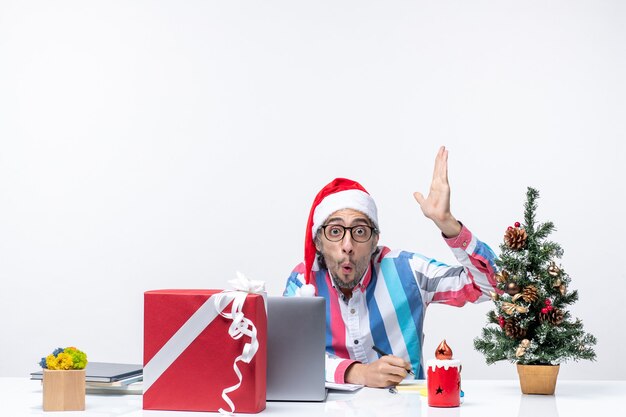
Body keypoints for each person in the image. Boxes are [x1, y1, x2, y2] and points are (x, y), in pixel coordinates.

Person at [283, 146, 498, 388]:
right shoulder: (303, 282)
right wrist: (358, 373)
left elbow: (493, 287)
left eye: (360, 231)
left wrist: (448, 225)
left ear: (375, 239)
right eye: (335, 231)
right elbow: (289, 353)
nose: (347, 245)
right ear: (318, 242)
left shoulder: (408, 272)